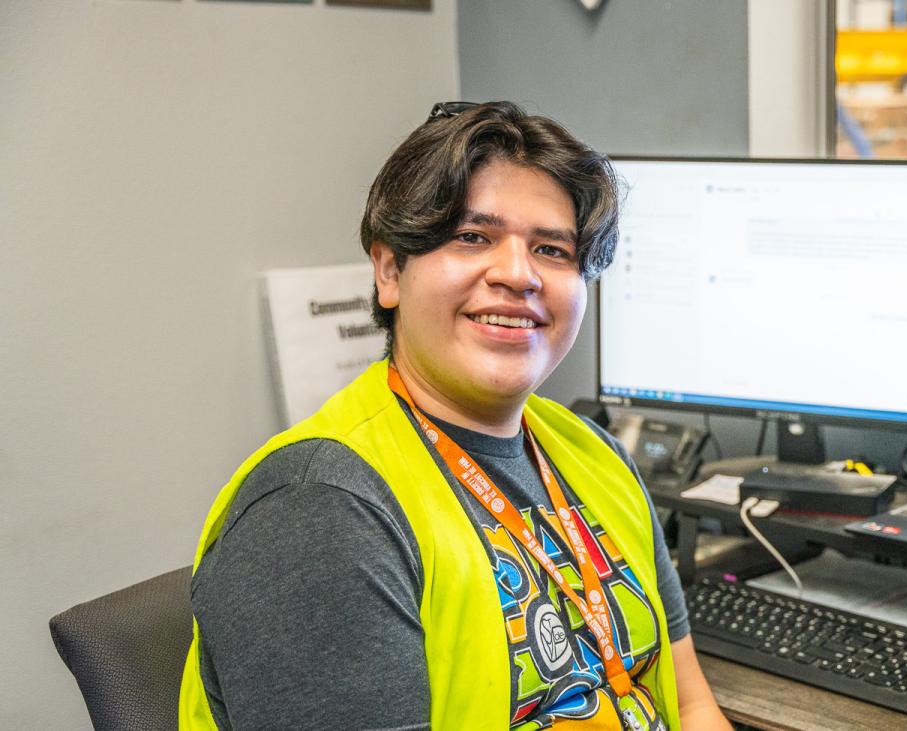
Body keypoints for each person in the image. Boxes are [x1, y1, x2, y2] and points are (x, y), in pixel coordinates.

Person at [179, 101, 731, 731]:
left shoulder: (593, 454)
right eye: (473, 237)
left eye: (552, 249)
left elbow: (689, 702)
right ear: (390, 271)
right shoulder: (319, 511)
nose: (518, 274)